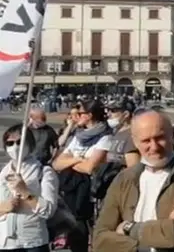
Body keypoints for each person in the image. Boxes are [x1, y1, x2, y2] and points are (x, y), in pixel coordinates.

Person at [92, 110, 174, 252]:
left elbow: (173, 234)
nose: (154, 147)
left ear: (172, 136)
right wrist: (144, 245)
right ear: (135, 142)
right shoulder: (125, 179)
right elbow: (100, 239)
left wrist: (128, 227)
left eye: (160, 138)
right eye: (146, 141)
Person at [52, 99, 112, 252]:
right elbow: (57, 163)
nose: (76, 117)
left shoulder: (105, 137)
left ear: (89, 115)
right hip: (70, 189)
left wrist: (71, 161)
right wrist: (78, 159)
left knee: (87, 227)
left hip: (90, 191)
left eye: (79, 113)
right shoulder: (79, 136)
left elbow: (89, 167)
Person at [0, 123, 59, 252]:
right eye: (10, 143)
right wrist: (4, 207)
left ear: (30, 144)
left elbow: (48, 211)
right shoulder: (2, 174)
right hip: (6, 243)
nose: (15, 147)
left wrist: (25, 192)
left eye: (20, 142)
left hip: (32, 242)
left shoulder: (44, 172)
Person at [105, 97, 140, 168]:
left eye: (113, 111)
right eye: (108, 110)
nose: (108, 114)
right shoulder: (116, 132)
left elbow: (133, 170)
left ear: (126, 114)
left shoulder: (132, 135)